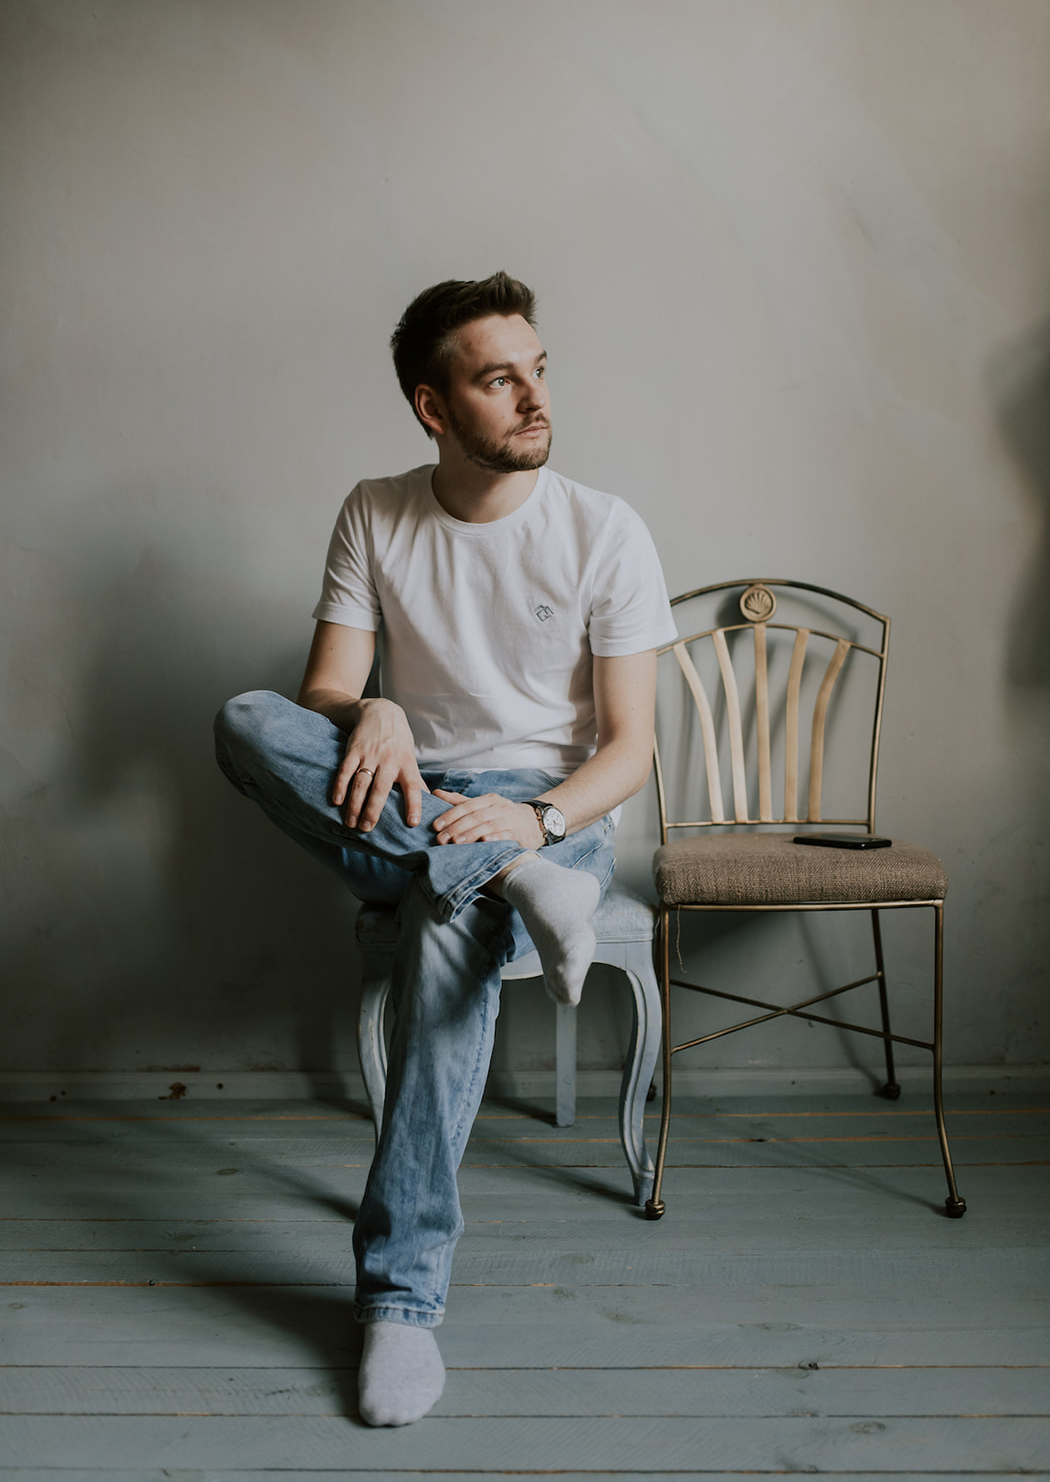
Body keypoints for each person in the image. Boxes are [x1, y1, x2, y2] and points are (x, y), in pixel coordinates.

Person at [214, 272, 676, 1426]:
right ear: (433, 406)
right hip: (413, 790)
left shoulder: (604, 528)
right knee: (244, 720)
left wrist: (537, 823)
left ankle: (399, 1301)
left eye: (538, 370)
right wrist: (370, 707)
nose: (535, 397)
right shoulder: (376, 510)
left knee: (444, 925)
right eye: (498, 379)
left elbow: (629, 749)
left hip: (553, 811)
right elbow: (322, 692)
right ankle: (503, 879)